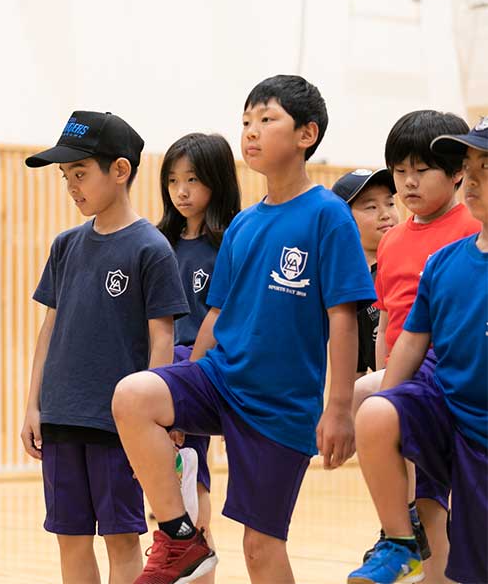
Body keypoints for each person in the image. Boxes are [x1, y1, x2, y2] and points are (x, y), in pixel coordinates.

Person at [113, 75, 375, 583]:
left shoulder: (328, 216)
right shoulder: (243, 225)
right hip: (220, 380)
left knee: (260, 547)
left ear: (306, 134)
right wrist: (181, 387)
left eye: (266, 119)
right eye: (246, 122)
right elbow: (214, 315)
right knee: (135, 395)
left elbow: (343, 319)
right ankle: (180, 538)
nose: (251, 132)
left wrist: (339, 409)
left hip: (281, 405)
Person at [20, 110, 190, 584]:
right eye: (66, 176)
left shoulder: (150, 248)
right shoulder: (65, 245)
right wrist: (33, 405)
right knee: (70, 541)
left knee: (122, 541)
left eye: (81, 173)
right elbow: (49, 330)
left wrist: (160, 414)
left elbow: (163, 338)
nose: (73, 186)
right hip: (60, 417)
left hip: (117, 425)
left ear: (119, 171)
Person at [347, 117, 488, 584]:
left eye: (486, 167)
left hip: (464, 405)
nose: (473, 178)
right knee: (374, 407)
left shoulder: (460, 228)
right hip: (435, 394)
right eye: (471, 165)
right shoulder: (425, 254)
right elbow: (400, 331)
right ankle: (400, 534)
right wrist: (392, 394)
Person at [155, 132, 242, 584]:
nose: (181, 191)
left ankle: (200, 568)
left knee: (193, 478)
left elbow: (224, 320)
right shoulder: (159, 242)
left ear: (217, 181)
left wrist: (193, 372)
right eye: (172, 180)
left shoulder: (229, 242)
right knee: (164, 486)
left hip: (198, 371)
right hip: (158, 370)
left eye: (192, 179)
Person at [330, 168, 399, 380]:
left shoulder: (408, 266)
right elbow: (355, 375)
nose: (385, 214)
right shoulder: (348, 286)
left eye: (390, 203)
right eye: (371, 207)